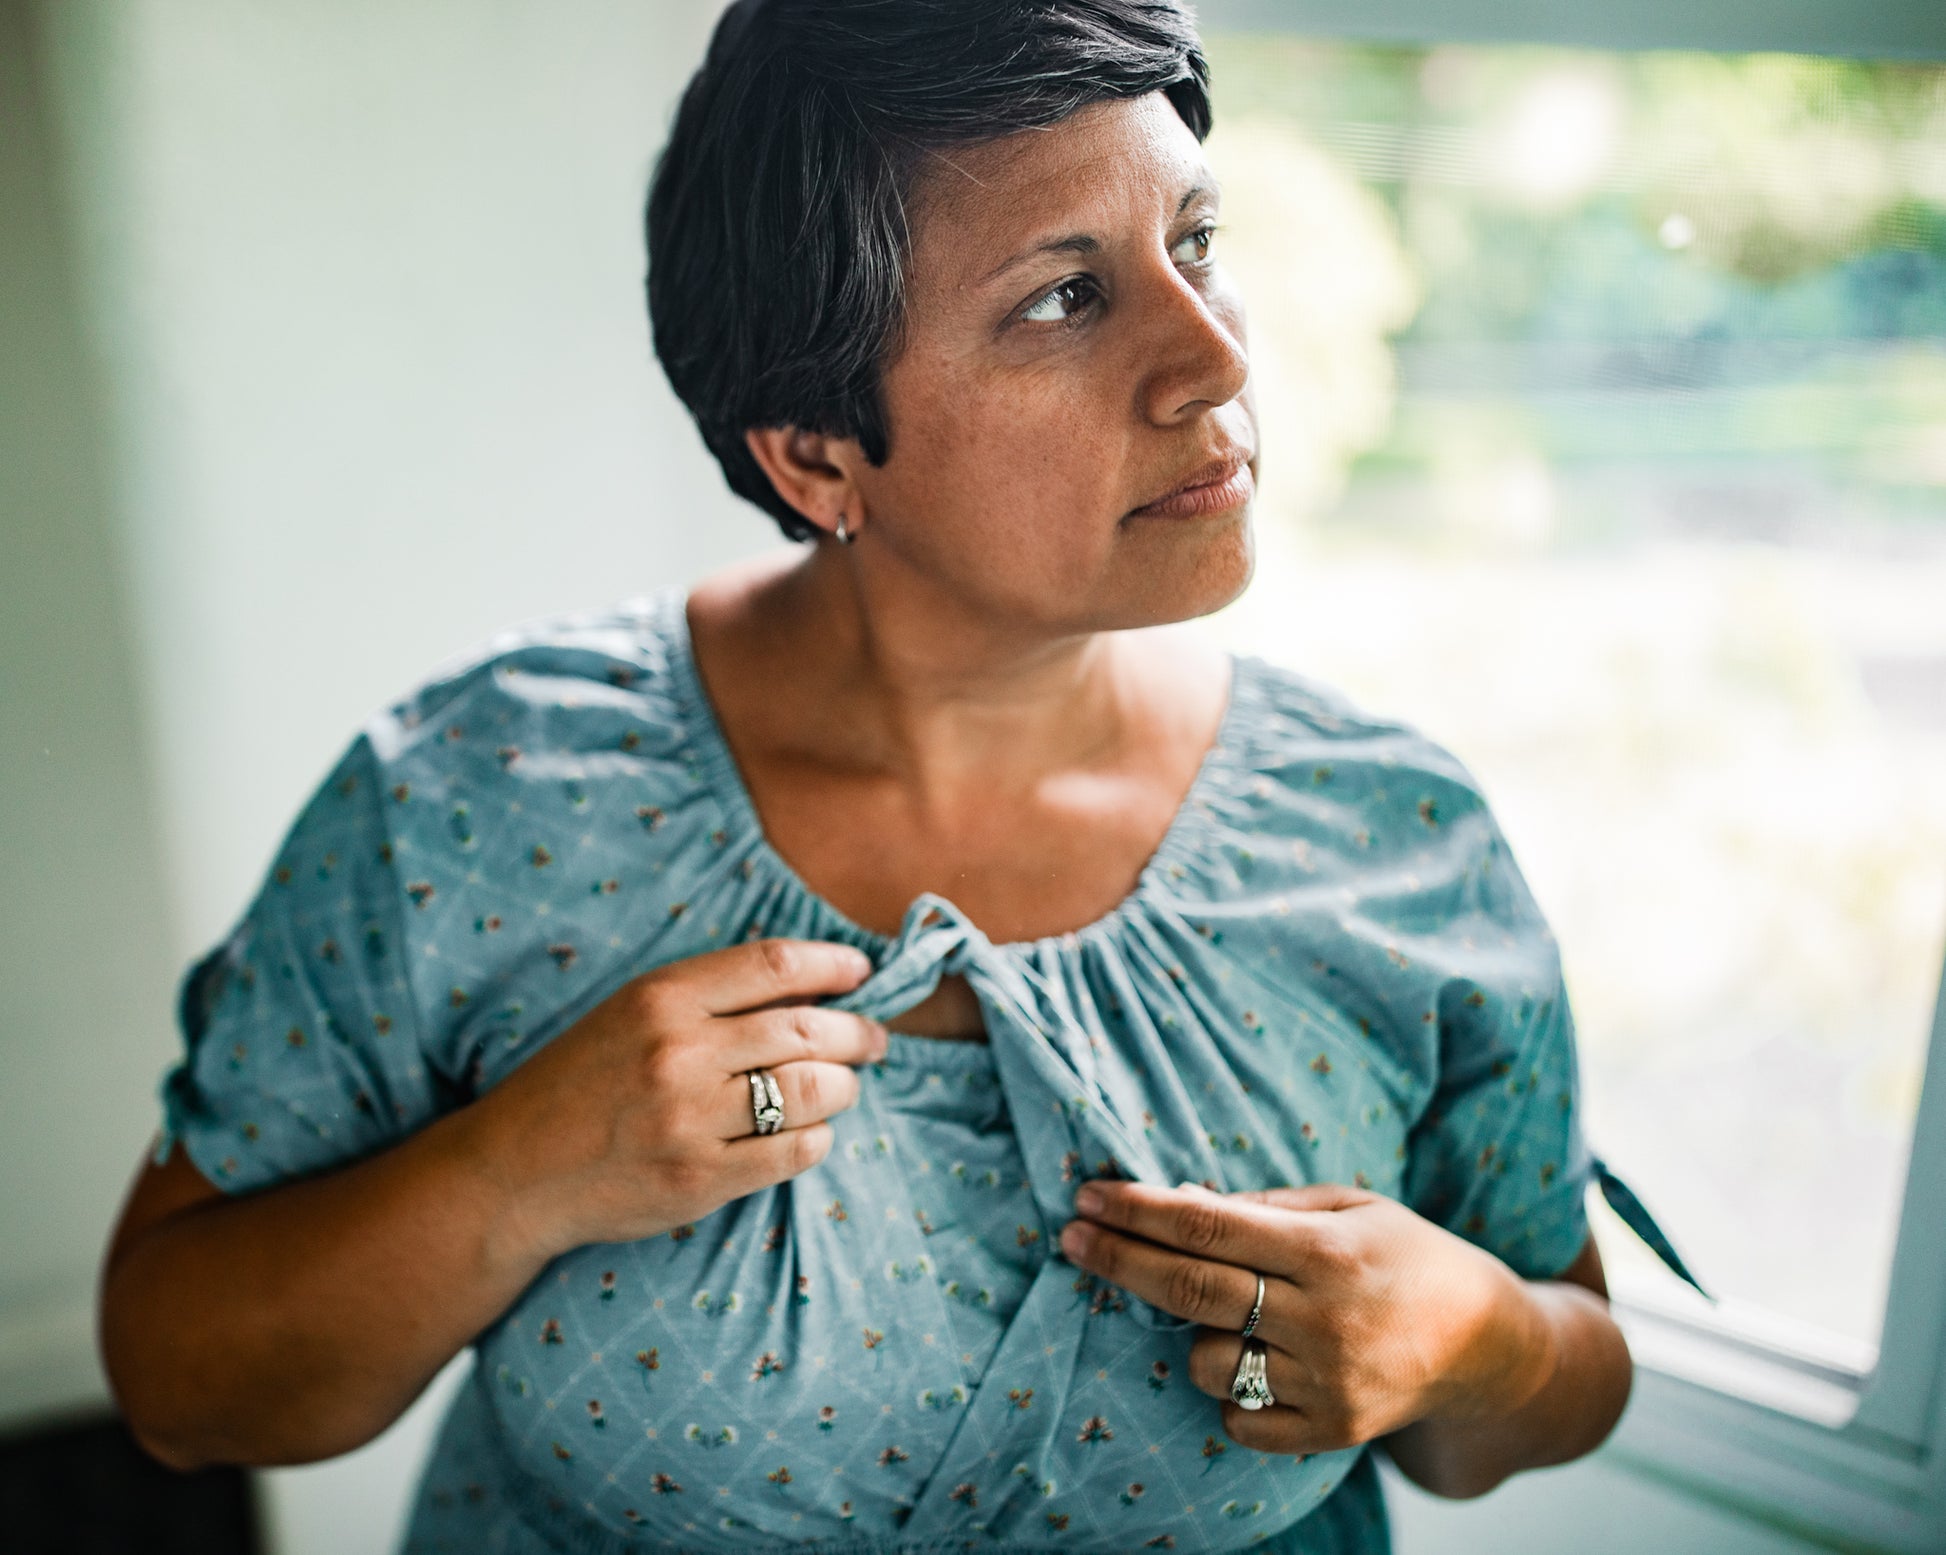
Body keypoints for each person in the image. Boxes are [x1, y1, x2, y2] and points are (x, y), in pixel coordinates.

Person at [98, 2, 1694, 1550]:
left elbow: (1538, 1392)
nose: (1210, 360)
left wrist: (1476, 1340)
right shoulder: (472, 797)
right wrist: (512, 1178)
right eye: (1063, 299)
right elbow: (179, 1391)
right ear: (815, 457)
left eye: (1194, 242)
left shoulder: (1397, 842)